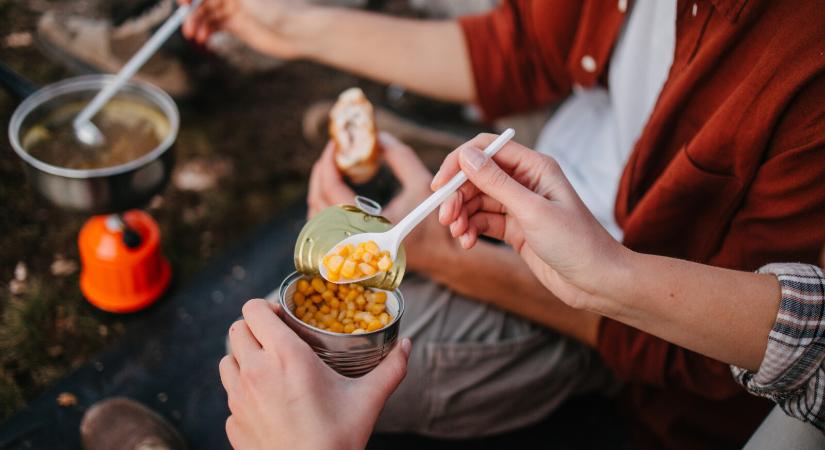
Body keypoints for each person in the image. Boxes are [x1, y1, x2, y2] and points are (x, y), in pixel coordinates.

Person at [182, 0, 825, 448]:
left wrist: (458, 261)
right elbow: (522, 49)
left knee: (291, 362)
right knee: (280, 344)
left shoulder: (806, 74)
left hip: (627, 325)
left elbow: (712, 361)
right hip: (552, 187)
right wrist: (289, 24)